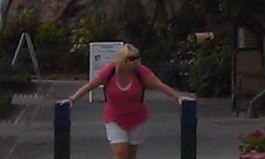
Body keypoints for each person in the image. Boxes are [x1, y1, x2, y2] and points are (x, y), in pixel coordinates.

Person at [59, 43, 189, 159]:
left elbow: (160, 85)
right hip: (114, 118)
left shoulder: (141, 72)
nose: (136, 62)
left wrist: (178, 97)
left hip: (137, 118)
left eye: (137, 58)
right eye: (132, 59)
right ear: (123, 60)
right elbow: (90, 86)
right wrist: (72, 99)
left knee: (131, 154)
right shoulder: (109, 71)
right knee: (120, 153)